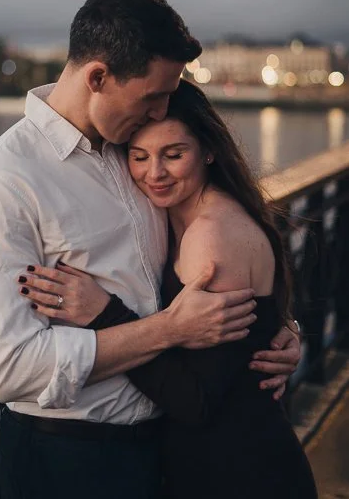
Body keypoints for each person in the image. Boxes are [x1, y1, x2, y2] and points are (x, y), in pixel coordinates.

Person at [0, 0, 301, 499]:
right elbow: (10, 369)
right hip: (67, 461)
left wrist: (276, 327)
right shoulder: (7, 180)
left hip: (161, 450)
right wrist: (166, 330)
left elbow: (225, 241)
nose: (163, 113)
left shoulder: (132, 150)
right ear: (98, 77)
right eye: (153, 96)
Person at [19, 78, 316, 499]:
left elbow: (194, 399)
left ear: (208, 151)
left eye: (173, 155)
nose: (154, 173)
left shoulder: (210, 238)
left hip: (239, 472)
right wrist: (283, 323)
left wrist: (103, 313)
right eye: (139, 157)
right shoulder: (178, 214)